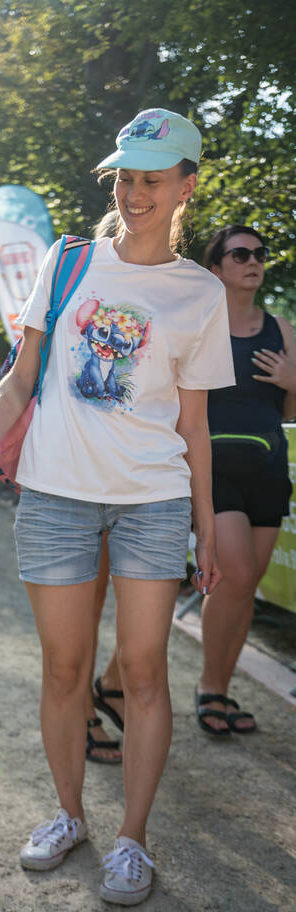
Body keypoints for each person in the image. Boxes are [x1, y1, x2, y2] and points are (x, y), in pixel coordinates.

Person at [0, 107, 234, 905]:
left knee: (142, 671)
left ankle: (132, 840)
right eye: (125, 178)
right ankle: (69, 815)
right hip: (57, 495)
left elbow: (195, 425)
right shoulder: (68, 261)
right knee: (65, 669)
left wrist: (207, 525)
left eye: (152, 180)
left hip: (152, 500)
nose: (134, 193)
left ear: (185, 186)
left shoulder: (201, 293)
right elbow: (21, 377)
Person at [196, 226, 296, 735]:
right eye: (240, 254)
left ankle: (221, 686)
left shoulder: (282, 329)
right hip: (215, 471)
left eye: (259, 253)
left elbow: (290, 411)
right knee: (233, 576)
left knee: (246, 584)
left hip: (268, 470)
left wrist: (292, 382)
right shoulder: (199, 326)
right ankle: (209, 688)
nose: (253, 261)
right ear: (215, 269)